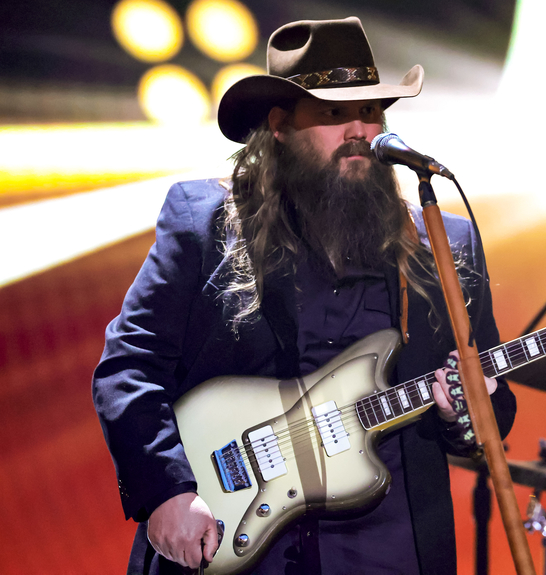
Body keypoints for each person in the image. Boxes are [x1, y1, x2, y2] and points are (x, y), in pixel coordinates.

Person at [93, 17, 516, 575]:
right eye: (334, 114)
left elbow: (492, 404)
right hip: (236, 543)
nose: (359, 130)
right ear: (280, 126)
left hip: (393, 549)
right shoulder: (206, 224)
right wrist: (166, 490)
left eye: (370, 112)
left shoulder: (443, 242)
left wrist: (464, 410)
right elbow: (129, 366)